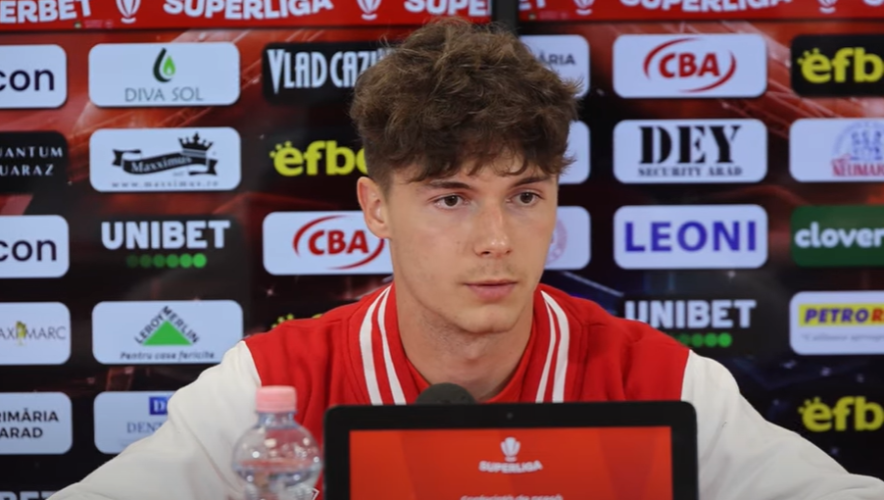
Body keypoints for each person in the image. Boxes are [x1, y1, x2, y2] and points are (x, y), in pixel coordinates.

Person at [52, 18, 884, 500]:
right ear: (376, 208)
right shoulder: (274, 386)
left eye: (524, 196)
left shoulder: (660, 380)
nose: (496, 239)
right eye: (450, 198)